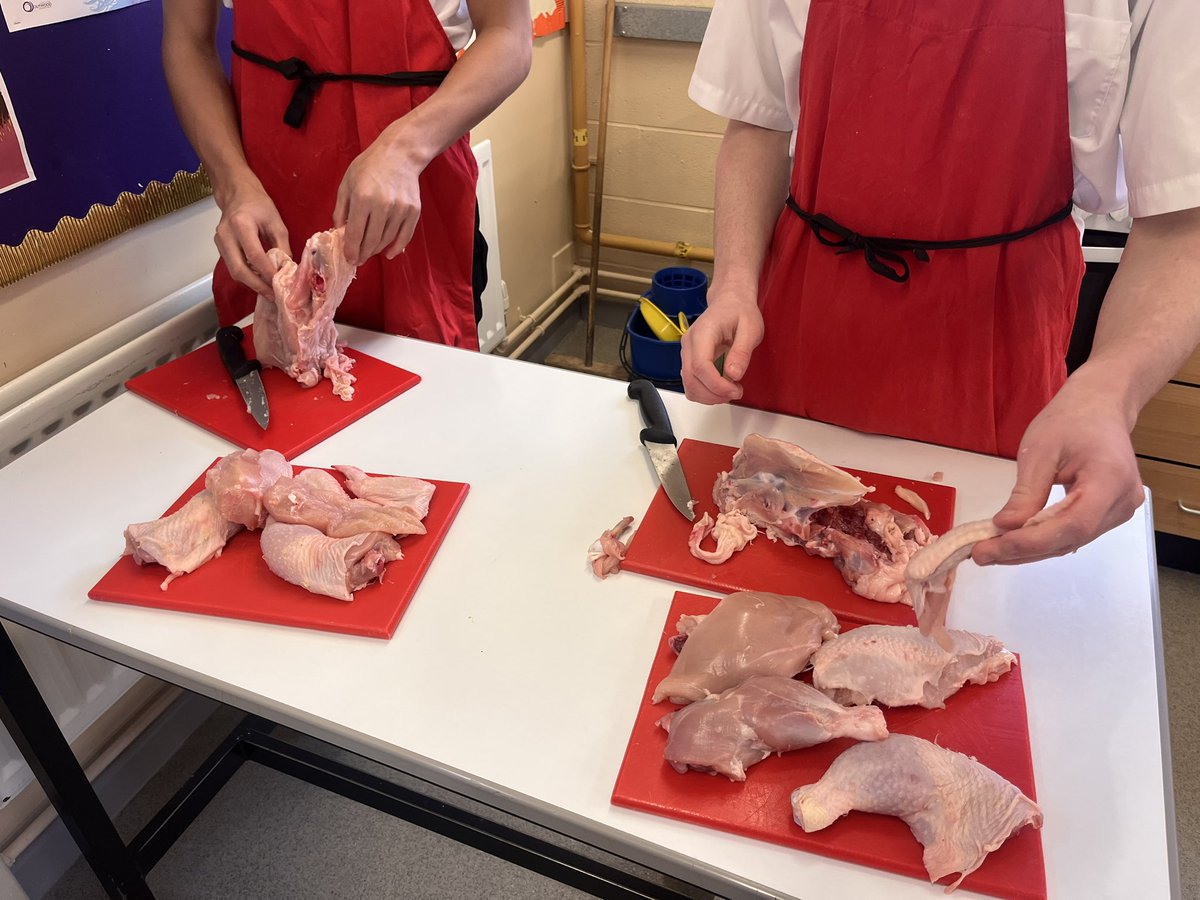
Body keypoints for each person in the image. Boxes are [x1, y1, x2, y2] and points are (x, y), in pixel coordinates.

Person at [680, 0, 1200, 567]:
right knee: (764, 553)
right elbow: (758, 123)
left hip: (996, 337)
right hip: (805, 310)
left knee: (964, 588)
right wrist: (733, 285)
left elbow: (1182, 220)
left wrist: (1111, 391)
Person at [162, 0, 532, 348]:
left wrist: (404, 149)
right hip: (270, 209)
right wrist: (233, 185)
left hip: (416, 205)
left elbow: (509, 37)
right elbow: (188, 42)